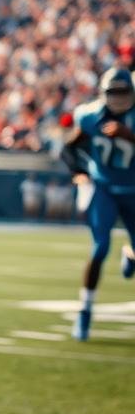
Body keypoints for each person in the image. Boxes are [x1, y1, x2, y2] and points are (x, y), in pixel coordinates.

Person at [60, 67, 135, 341]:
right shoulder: (90, 115)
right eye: (112, 92)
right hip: (103, 187)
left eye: (122, 92)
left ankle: (130, 255)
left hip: (133, 189)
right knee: (100, 247)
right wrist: (78, 173)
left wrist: (129, 136)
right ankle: (85, 310)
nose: (117, 97)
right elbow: (67, 148)